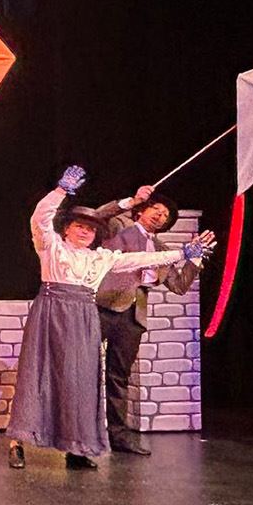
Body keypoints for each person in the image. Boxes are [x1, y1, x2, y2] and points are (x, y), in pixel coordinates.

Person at [7, 167, 214, 470]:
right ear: (67, 229)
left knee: (80, 381)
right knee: (38, 373)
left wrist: (183, 253)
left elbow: (144, 259)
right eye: (79, 226)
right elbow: (39, 218)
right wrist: (61, 191)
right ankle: (18, 443)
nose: (84, 232)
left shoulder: (100, 258)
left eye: (90, 230)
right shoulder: (51, 248)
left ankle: (76, 448)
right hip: (52, 313)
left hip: (84, 318)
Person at [93, 184, 205, 456]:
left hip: (134, 316)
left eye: (165, 215)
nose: (160, 216)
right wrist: (130, 200)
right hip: (103, 307)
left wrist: (195, 259)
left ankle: (118, 437)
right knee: (85, 370)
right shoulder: (120, 226)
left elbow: (178, 286)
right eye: (156, 210)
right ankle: (83, 435)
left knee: (119, 376)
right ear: (143, 211)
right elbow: (97, 217)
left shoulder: (161, 249)